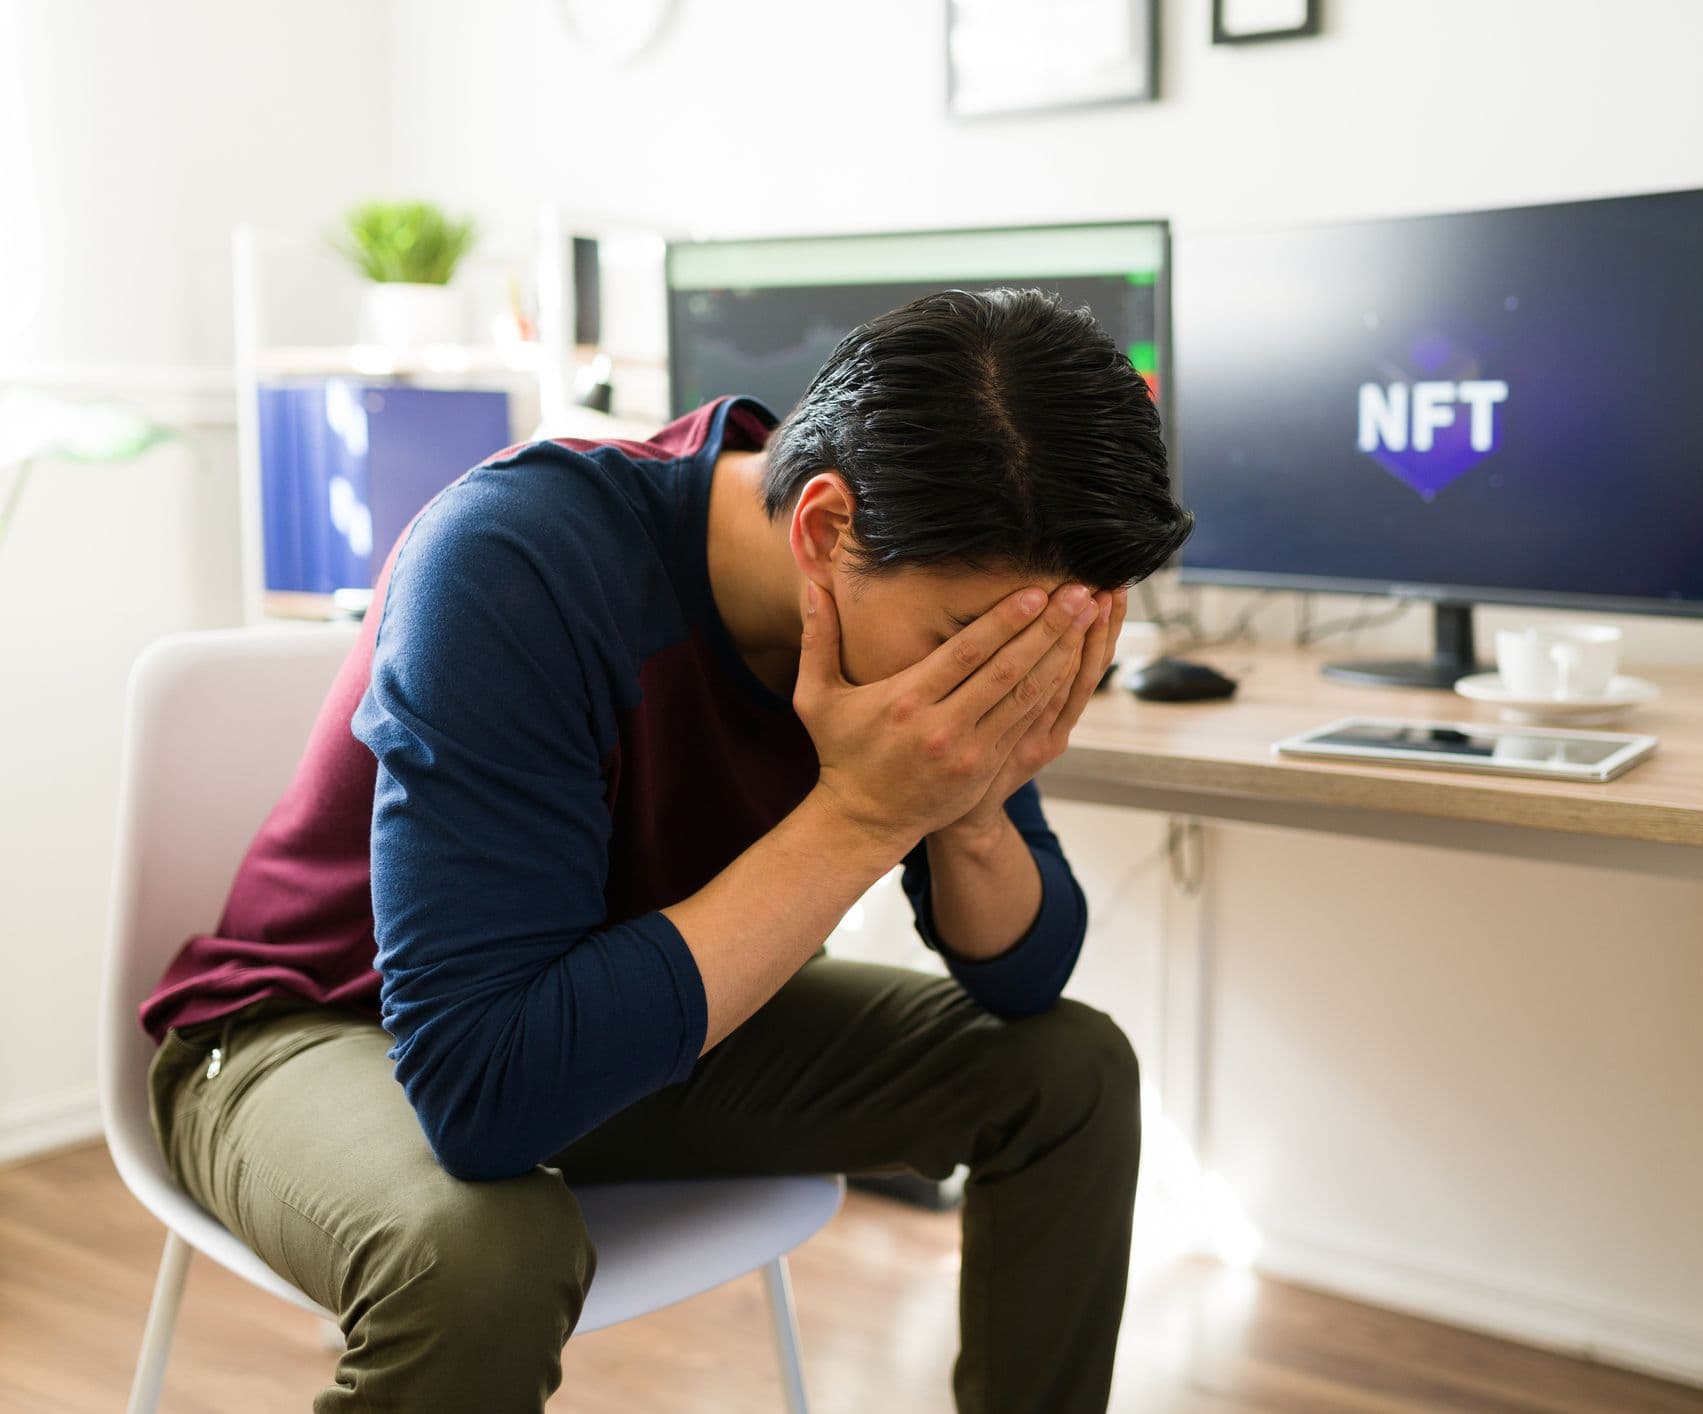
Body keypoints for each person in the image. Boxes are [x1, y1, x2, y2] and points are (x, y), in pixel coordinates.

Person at [136, 286, 1195, 1412]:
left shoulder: (927, 575)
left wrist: (973, 802)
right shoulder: (513, 559)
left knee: (1069, 1073)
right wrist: (864, 814)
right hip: (325, 1026)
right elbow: (482, 1093)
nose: (994, 683)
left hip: (622, 1020)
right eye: (963, 646)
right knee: (482, 1254)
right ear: (824, 530)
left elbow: (1023, 973)